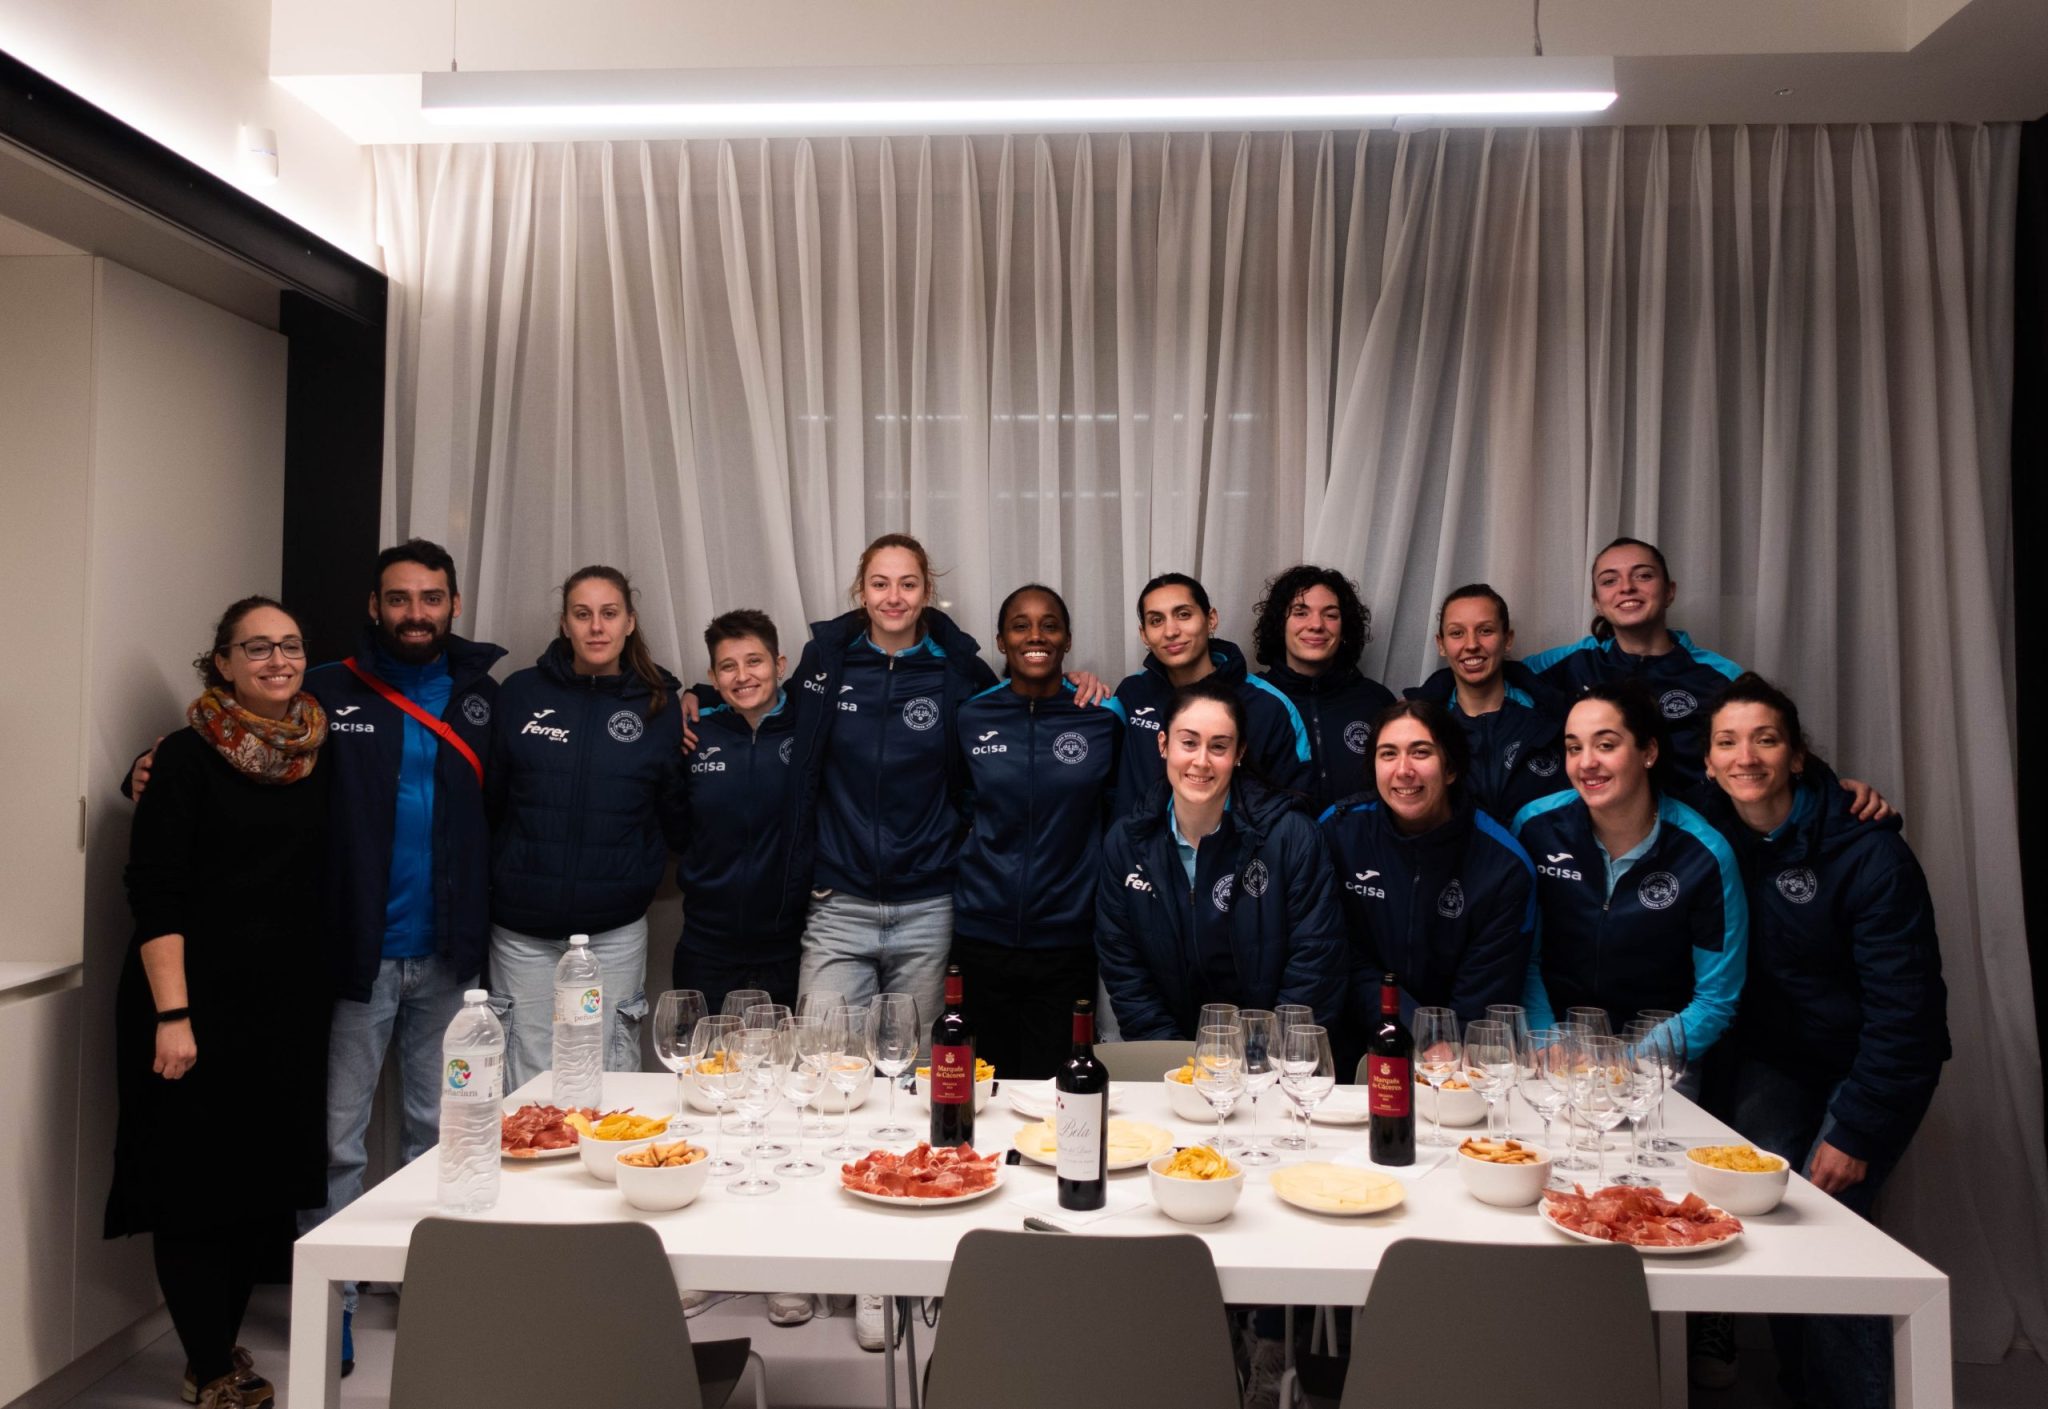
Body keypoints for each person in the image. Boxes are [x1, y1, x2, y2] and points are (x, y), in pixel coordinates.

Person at [1695, 673, 1949, 1406]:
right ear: (1707, 763)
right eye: (1727, 742)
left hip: (1870, 1066)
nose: (1746, 757)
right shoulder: (1710, 834)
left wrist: (1857, 1128)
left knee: (1834, 1231)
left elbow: (1908, 1015)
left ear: (1798, 755)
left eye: (1766, 739)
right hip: (1777, 1061)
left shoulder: (1869, 854)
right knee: (1772, 1217)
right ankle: (1802, 1389)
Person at [108, 597, 331, 1409]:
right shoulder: (184, 756)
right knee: (194, 1189)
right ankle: (209, 1366)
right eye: (257, 647)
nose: (278, 659)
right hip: (191, 1004)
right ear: (224, 663)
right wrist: (173, 1017)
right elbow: (155, 892)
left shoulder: (317, 748)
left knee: (255, 1190)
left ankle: (215, 1347)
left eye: (290, 645)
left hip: (281, 1010)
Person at [785, 534, 1001, 1025]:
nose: (894, 597)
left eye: (908, 584)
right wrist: (700, 697)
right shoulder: (825, 661)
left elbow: (1014, 711)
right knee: (822, 1054)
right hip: (838, 902)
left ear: (927, 592)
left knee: (914, 1062)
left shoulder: (959, 669)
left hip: (928, 905)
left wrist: (1075, 687)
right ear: (861, 591)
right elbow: (773, 707)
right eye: (880, 584)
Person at [486, 565, 689, 1087]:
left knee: (609, 1078)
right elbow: (491, 802)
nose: (596, 627)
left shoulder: (657, 703)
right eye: (582, 614)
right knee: (529, 1084)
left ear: (629, 622)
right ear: (565, 624)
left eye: (609, 613)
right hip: (523, 932)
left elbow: (673, 810)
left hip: (613, 930)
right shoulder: (520, 693)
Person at [1510, 680, 1748, 1064]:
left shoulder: (1704, 854)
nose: (1587, 763)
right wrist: (1544, 1039)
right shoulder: (1534, 827)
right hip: (1554, 1043)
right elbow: (1524, 958)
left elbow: (1715, 999)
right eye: (1574, 748)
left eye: (1606, 745)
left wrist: (1628, 1063)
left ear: (1648, 751)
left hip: (1658, 1054)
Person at [1095, 677, 1344, 1038]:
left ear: (1239, 753)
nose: (1201, 761)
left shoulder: (1292, 837)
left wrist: (1264, 1053)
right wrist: (1172, 1056)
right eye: (1189, 742)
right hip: (1169, 1056)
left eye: (1219, 746)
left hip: (1270, 1056)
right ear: (1163, 745)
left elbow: (1316, 964)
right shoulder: (1126, 843)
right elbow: (1124, 969)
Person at [951, 585, 1123, 1078]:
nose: (1035, 636)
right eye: (1020, 625)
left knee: (1058, 1088)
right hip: (981, 935)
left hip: (1067, 940)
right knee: (983, 1087)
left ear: (1067, 639)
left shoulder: (1103, 716)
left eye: (1050, 625)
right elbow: (959, 804)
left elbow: (1119, 813)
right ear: (1000, 641)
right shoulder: (972, 715)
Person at [1318, 699, 1536, 1075]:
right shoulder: (1338, 832)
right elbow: (1336, 955)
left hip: (1456, 1059)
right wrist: (1415, 1029)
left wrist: (1441, 1045)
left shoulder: (1503, 864)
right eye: (1388, 754)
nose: (1404, 770)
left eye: (1420, 752)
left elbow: (1486, 992)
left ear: (1450, 768)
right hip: (1351, 1050)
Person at [1518, 538, 1743, 792]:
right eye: (1609, 581)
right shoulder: (1575, 662)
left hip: (1694, 814)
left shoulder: (1721, 677)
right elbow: (1495, 673)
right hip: (1596, 811)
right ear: (1597, 602)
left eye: (1643, 576)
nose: (1626, 587)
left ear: (1669, 591)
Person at [673, 609, 810, 1015]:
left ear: (779, 665)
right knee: (705, 1054)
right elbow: (673, 822)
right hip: (707, 945)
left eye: (754, 661)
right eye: (728, 666)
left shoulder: (811, 728)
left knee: (793, 1055)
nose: (743, 676)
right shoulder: (692, 734)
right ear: (713, 677)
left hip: (793, 946)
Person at [1110, 572, 1313, 815]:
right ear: (1144, 634)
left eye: (1183, 615)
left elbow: (1295, 803)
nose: (1170, 631)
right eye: (1156, 621)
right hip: (1137, 839)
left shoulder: (1268, 705)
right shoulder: (1132, 693)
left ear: (1211, 619)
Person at [1404, 583, 1570, 820]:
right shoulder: (1417, 725)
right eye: (1457, 633)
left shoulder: (1555, 717)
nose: (1472, 645)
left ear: (1507, 639)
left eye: (1485, 630)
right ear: (1441, 644)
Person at [1251, 564, 1396, 812]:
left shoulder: (1376, 701)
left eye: (1330, 615)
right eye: (1300, 613)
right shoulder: (1252, 700)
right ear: (1279, 624)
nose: (1316, 625)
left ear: (1344, 628)